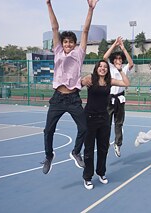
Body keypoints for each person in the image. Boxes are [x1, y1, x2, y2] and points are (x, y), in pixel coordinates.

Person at [41, 0, 98, 175]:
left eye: (70, 42)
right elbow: (55, 28)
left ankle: (75, 152)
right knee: (48, 129)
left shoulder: (79, 54)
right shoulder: (57, 51)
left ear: (74, 44)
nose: (67, 44)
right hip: (58, 98)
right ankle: (49, 156)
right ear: (61, 44)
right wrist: (49, 4)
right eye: (65, 42)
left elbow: (86, 31)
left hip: (73, 98)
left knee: (84, 128)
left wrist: (90, 9)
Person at [81, 60, 130, 190]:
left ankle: (101, 173)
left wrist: (120, 70)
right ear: (96, 68)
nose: (102, 68)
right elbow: (78, 84)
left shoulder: (110, 81)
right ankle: (87, 177)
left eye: (105, 67)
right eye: (100, 66)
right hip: (90, 118)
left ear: (108, 69)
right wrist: (81, 81)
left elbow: (126, 83)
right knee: (89, 149)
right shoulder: (90, 78)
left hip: (104, 118)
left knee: (103, 148)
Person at [103, 37, 134, 157]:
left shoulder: (124, 69)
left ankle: (118, 144)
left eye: (120, 59)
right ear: (113, 60)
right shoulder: (110, 67)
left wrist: (123, 48)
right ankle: (104, 143)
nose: (118, 60)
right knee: (106, 123)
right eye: (116, 59)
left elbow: (131, 63)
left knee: (119, 123)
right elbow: (105, 58)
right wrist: (114, 44)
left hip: (120, 99)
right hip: (109, 98)